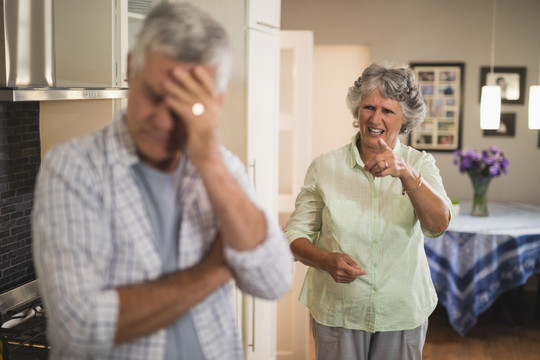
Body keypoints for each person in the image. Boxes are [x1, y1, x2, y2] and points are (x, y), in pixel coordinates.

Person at [32, 2, 293, 359]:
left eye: (186, 106)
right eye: (155, 97)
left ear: (217, 100)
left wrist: (209, 162)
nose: (165, 122)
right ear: (129, 70)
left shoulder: (222, 167)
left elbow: (275, 280)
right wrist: (214, 269)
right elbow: (81, 326)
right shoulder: (73, 168)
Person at [285, 62, 453, 360]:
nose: (375, 118)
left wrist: (407, 174)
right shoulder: (325, 166)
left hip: (401, 311)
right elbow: (294, 237)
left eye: (387, 110)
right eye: (368, 107)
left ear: (404, 120)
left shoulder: (421, 165)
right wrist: (325, 260)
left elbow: (437, 225)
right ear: (357, 111)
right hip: (338, 310)